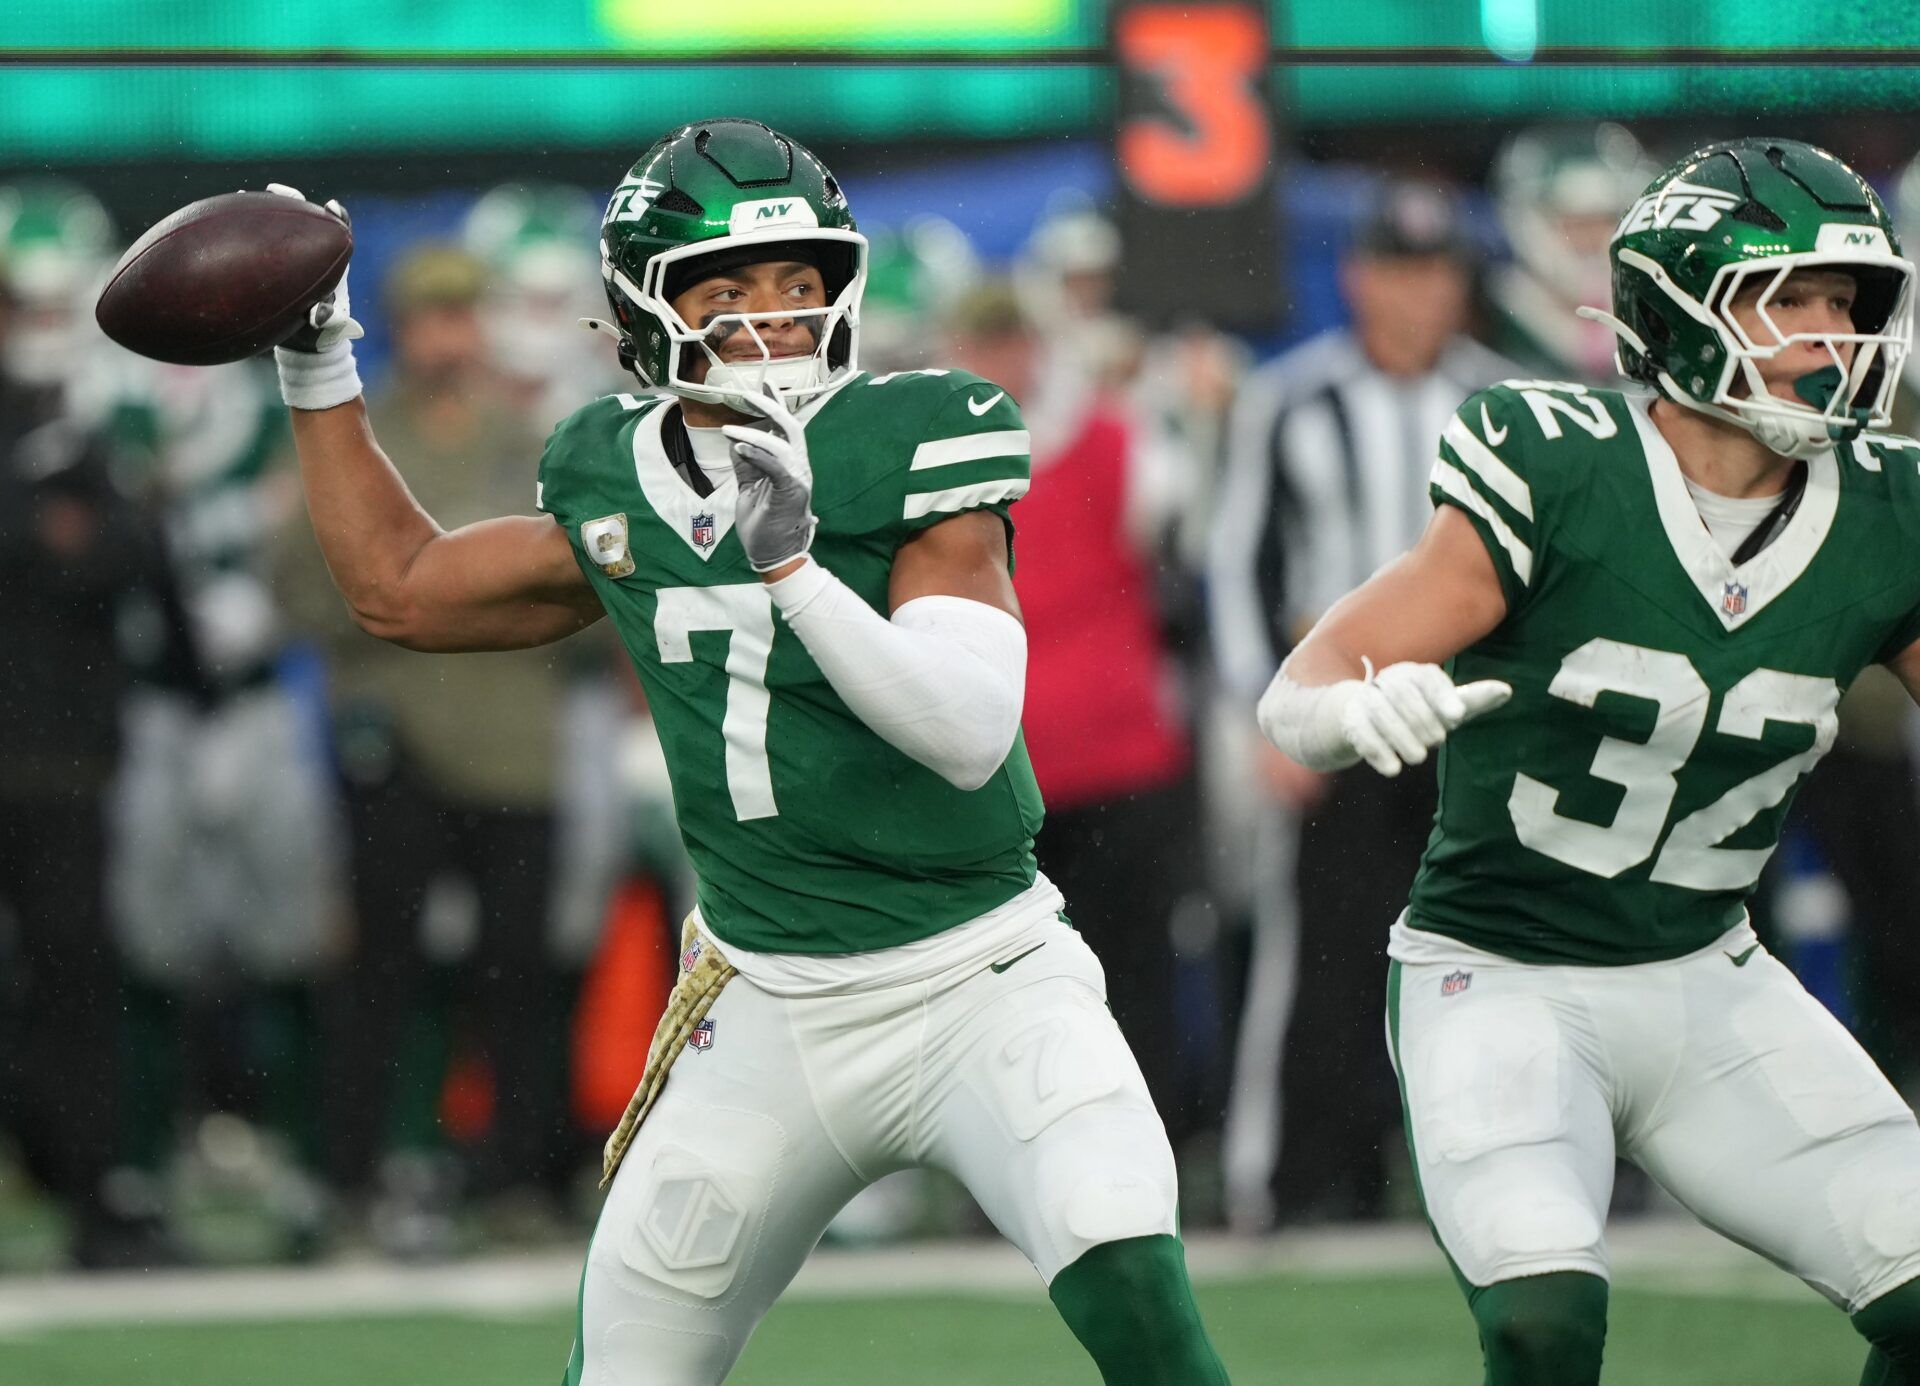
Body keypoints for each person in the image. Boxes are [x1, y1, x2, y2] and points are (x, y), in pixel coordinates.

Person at [261, 119, 1228, 1385]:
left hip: (980, 973)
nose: (773, 319)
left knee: (1135, 1287)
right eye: (724, 290)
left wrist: (795, 568)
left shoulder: (915, 434)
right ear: (645, 311)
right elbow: (399, 588)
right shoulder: (611, 470)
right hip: (767, 1001)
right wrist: (317, 361)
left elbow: (966, 726)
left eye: (797, 283)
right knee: (623, 1368)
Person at [1254, 136, 1920, 1383]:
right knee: (1545, 1321)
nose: (1834, 333)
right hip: (1498, 975)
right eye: (1792, 299)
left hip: (1709, 976)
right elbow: (1303, 683)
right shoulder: (1560, 460)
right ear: (1677, 306)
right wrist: (1351, 714)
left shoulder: (1888, 506)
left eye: (1848, 302)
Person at [1208, 179, 1513, 1230]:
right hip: (1336, 712)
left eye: (1437, 273)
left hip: (1469, 720)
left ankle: (1481, 1176)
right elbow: (1238, 563)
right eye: (1399, 270)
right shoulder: (1291, 399)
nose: (1419, 294)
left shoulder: (1504, 402)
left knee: (1481, 952)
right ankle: (1296, 1179)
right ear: (1358, 278)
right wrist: (1268, 713)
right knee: (1323, 953)